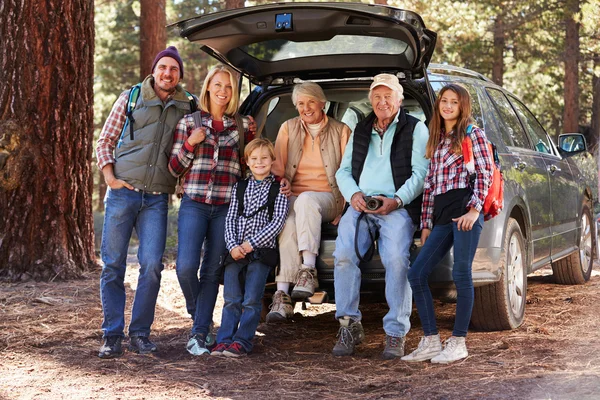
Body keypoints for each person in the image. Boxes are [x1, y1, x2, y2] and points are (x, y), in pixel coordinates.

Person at [96, 46, 196, 358]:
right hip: (123, 192)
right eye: (163, 67)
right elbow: (105, 140)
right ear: (154, 70)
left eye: (174, 69)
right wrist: (111, 179)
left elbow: (189, 151)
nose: (168, 73)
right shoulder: (132, 97)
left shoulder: (187, 104)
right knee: (112, 264)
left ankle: (139, 334)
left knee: (152, 265)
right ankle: (112, 335)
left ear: (180, 75)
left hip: (156, 199)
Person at [332, 73, 429, 359]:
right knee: (344, 255)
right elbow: (344, 171)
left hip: (396, 205)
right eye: (377, 96)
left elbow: (421, 173)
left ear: (399, 99)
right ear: (371, 100)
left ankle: (396, 333)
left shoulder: (416, 128)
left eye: (388, 96)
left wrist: (397, 200)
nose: (382, 101)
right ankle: (349, 325)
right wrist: (353, 196)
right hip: (361, 204)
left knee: (397, 260)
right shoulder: (360, 129)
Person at [402, 84, 493, 364]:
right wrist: (426, 223)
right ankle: (430, 340)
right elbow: (430, 185)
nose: (448, 106)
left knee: (461, 274)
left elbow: (485, 172)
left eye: (454, 102)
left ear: (462, 106)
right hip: (441, 216)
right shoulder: (436, 138)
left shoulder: (471, 133)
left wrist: (474, 211)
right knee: (417, 274)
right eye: (444, 100)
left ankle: (458, 342)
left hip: (465, 211)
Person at [169, 64, 256, 356]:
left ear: (233, 93)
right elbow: (174, 168)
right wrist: (191, 144)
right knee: (184, 267)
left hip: (226, 209)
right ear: (208, 87)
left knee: (210, 272)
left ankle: (199, 334)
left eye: (228, 87)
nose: (222, 91)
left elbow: (252, 168)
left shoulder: (244, 126)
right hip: (194, 203)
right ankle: (200, 318)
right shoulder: (189, 122)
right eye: (217, 85)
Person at [267, 82, 352, 322]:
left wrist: (345, 208)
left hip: (330, 198)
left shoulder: (341, 130)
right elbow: (278, 167)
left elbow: (350, 171)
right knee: (288, 225)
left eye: (311, 102)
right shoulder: (288, 128)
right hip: (294, 199)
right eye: (301, 104)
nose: (306, 108)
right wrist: (280, 181)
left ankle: (308, 269)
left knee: (305, 200)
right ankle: (282, 295)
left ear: (322, 102)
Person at [210, 138, 289, 357]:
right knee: (231, 299)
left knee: (252, 300)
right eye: (254, 159)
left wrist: (249, 244)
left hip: (261, 252)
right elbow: (231, 218)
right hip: (235, 253)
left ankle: (242, 341)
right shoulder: (240, 187)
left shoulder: (278, 189)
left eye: (264, 158)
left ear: (272, 160)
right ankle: (224, 339)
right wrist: (233, 245)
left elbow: (278, 222)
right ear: (247, 162)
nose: (260, 162)